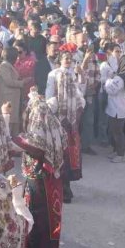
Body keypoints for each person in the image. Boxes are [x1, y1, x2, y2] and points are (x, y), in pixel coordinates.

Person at [14, 90, 66, 248]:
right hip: (50, 181)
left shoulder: (37, 134)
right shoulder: (55, 127)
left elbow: (28, 144)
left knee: (35, 226)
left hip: (38, 182)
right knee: (36, 224)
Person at [46, 47, 85, 203]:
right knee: (60, 153)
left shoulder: (73, 73)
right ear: (60, 59)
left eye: (70, 58)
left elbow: (80, 92)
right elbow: (50, 95)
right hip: (59, 117)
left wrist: (79, 107)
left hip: (73, 119)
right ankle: (61, 187)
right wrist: (53, 111)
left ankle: (67, 186)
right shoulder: (54, 74)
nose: (68, 60)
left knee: (71, 153)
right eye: (65, 58)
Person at [103, 52, 125, 163]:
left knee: (118, 131)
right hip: (121, 107)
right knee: (115, 131)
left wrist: (108, 81)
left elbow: (111, 90)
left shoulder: (120, 78)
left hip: (117, 108)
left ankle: (121, 154)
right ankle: (117, 150)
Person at [0, 48, 24, 137]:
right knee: (8, 123)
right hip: (7, 99)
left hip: (13, 99)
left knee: (13, 123)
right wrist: (23, 82)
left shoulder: (9, 65)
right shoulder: (4, 66)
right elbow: (9, 82)